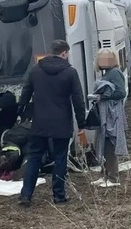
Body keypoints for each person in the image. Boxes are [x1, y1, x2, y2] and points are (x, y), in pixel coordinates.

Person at [17, 40, 86, 206]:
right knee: (60, 158)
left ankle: (26, 195)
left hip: (39, 121)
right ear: (64, 53)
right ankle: (58, 195)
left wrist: (21, 112)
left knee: (34, 157)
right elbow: (78, 99)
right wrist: (82, 122)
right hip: (61, 122)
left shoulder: (36, 70)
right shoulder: (70, 72)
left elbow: (25, 93)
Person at [89, 49, 128, 188]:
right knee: (104, 143)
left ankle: (113, 177)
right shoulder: (108, 73)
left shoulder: (115, 73)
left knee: (110, 143)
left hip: (112, 114)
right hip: (106, 112)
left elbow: (121, 92)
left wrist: (103, 97)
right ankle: (104, 174)